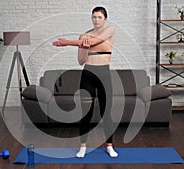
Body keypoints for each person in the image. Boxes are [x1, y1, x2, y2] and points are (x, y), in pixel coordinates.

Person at [53, 6, 118, 158]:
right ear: (91, 18)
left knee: (106, 112)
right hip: (88, 73)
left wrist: (68, 42)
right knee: (85, 113)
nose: (96, 20)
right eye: (94, 17)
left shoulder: (110, 30)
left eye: (99, 17)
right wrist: (84, 46)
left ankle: (109, 146)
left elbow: (96, 41)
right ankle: (82, 147)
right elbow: (81, 61)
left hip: (104, 74)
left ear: (105, 19)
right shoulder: (84, 35)